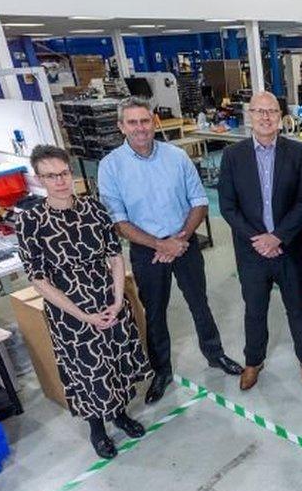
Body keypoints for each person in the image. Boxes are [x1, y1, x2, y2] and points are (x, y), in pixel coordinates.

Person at [99, 96, 242, 406]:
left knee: (199, 303)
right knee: (156, 313)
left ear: (154, 121)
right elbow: (119, 221)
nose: (140, 128)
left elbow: (199, 201)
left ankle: (215, 354)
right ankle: (161, 371)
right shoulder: (110, 167)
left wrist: (180, 240)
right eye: (132, 122)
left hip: (184, 244)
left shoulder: (177, 157)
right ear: (121, 126)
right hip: (146, 251)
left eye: (145, 120)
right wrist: (159, 244)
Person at [16, 145, 151, 459]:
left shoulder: (94, 209)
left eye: (63, 173)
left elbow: (115, 256)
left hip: (107, 297)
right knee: (88, 371)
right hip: (70, 312)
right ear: (39, 180)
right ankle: (97, 428)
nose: (60, 181)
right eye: (51, 176)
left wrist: (118, 300)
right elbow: (38, 279)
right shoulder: (31, 222)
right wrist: (82, 315)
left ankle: (119, 413)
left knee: (117, 360)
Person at [218, 91, 302, 391]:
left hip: (289, 249)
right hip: (252, 252)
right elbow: (227, 206)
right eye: (259, 111)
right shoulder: (233, 156)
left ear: (280, 116)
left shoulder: (298, 152)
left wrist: (278, 237)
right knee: (254, 308)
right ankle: (253, 361)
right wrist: (258, 239)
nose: (265, 117)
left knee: (296, 305)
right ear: (250, 115)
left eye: (271, 111)